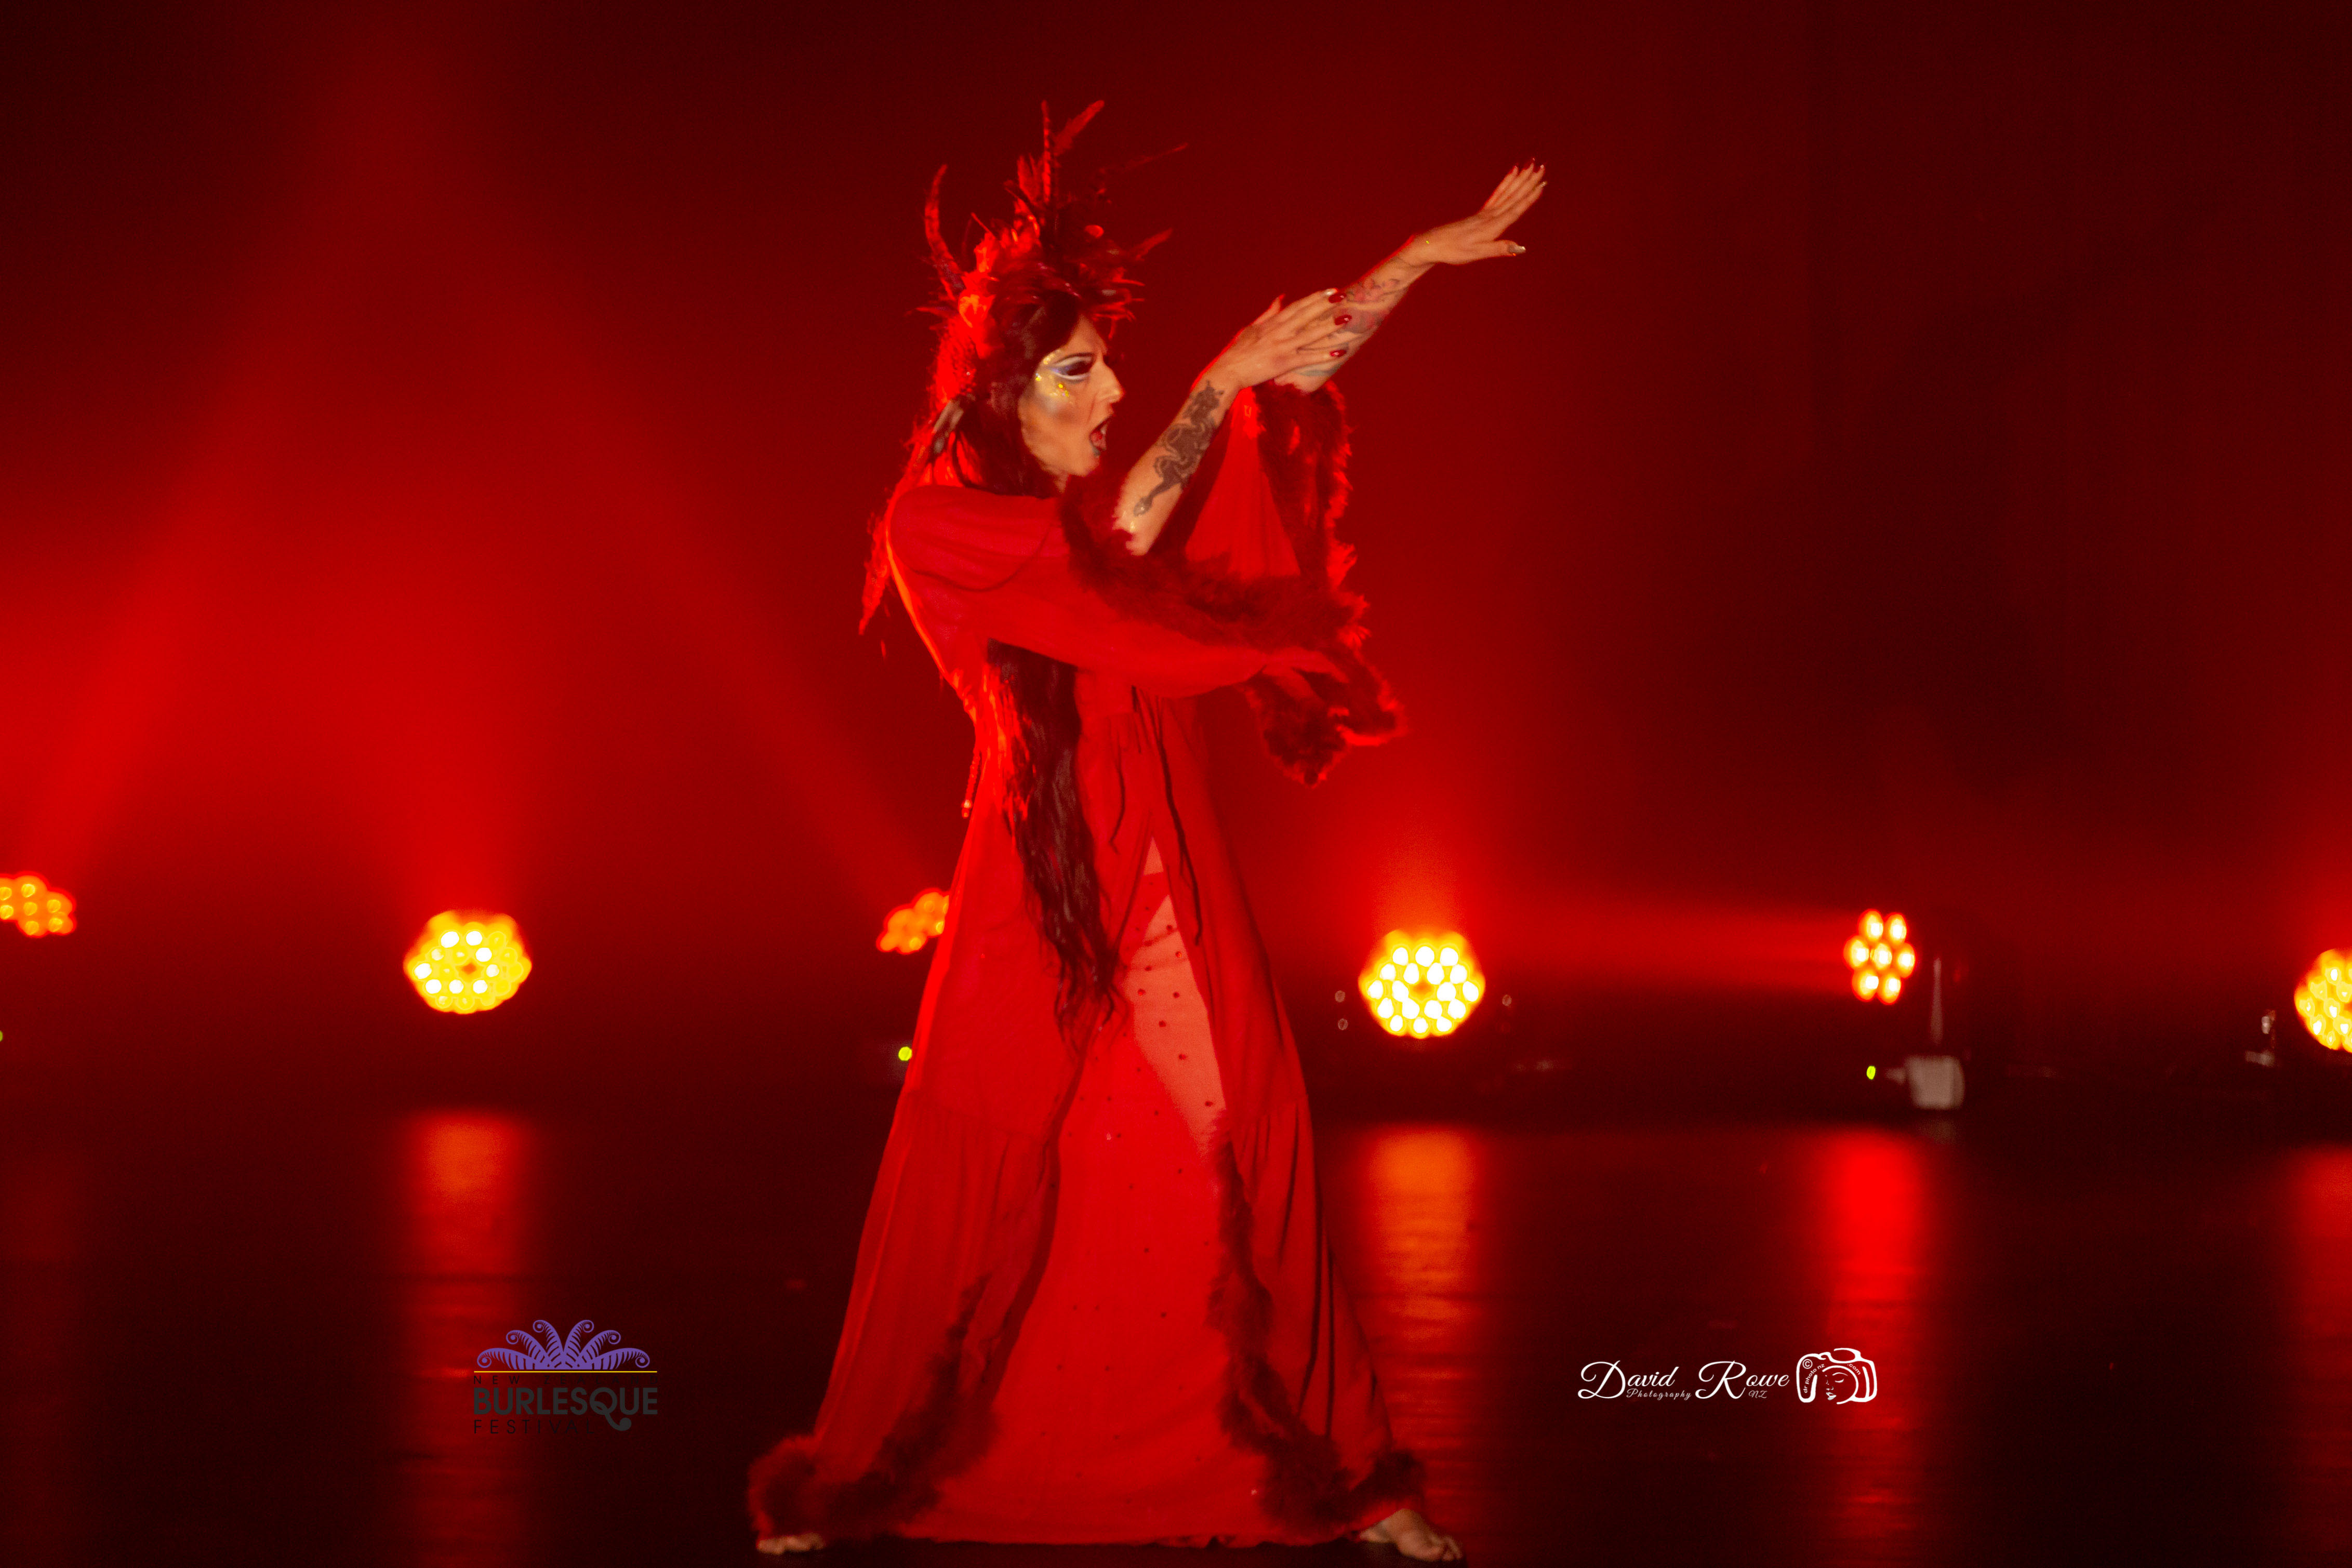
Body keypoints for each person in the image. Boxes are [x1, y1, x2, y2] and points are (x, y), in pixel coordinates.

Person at [749, 104, 1542, 1560]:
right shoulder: (940, 527)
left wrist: (1409, 266)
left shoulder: (1090, 513)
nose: (1111, 388)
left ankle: (1358, 1479)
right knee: (981, 1161)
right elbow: (1110, 585)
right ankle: (856, 1475)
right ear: (1000, 389)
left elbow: (1265, 393)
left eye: (1109, 363)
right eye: (1079, 367)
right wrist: (1217, 381)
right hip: (1043, 888)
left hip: (1167, 860)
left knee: (1254, 1144)